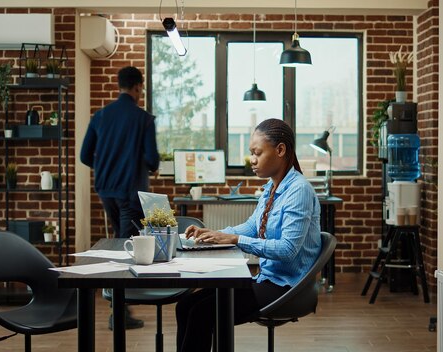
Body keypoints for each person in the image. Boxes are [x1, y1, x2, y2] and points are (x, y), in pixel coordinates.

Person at [176, 118, 322, 352]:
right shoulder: (270, 189)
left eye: (257, 152)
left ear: (281, 150)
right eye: (251, 153)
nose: (252, 159)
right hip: (267, 279)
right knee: (185, 305)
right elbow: (251, 226)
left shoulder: (299, 190)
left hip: (286, 286)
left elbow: (287, 250)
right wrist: (214, 233)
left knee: (201, 313)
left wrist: (236, 240)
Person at [80, 66, 159, 330]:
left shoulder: (100, 116)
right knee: (127, 248)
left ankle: (120, 307)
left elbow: (84, 156)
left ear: (118, 86)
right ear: (138, 87)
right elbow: (152, 159)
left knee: (120, 243)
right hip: (130, 191)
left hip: (106, 190)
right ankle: (119, 312)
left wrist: (105, 166)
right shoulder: (143, 119)